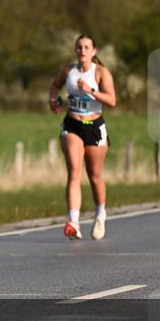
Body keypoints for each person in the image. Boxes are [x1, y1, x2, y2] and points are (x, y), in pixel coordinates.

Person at [48, 34, 117, 240]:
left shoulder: (101, 73)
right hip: (72, 125)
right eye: (79, 47)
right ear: (75, 50)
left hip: (94, 127)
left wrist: (91, 91)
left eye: (87, 47)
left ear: (93, 51)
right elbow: (54, 85)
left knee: (94, 176)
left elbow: (112, 100)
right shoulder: (68, 71)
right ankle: (73, 222)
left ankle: (100, 214)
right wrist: (53, 100)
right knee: (74, 172)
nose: (82, 51)